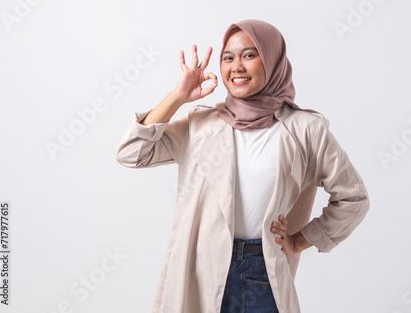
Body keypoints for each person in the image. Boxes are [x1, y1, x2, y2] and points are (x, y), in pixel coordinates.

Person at [115, 19, 370, 313]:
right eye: (228, 57)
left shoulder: (305, 129)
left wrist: (301, 240)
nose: (236, 66)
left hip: (263, 269)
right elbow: (132, 152)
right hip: (200, 266)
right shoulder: (200, 124)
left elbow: (353, 197)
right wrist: (178, 97)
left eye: (249, 55)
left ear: (273, 60)